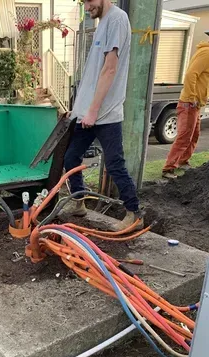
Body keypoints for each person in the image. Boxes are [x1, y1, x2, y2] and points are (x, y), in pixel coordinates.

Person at [61, 0, 143, 231]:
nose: (87, 7)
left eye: (89, 1)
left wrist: (94, 111)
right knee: (71, 158)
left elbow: (110, 69)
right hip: (88, 113)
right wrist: (79, 109)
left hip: (105, 115)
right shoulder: (104, 22)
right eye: (83, 2)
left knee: (115, 164)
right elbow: (94, 74)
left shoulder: (117, 19)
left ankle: (134, 214)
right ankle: (78, 202)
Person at [162, 35, 209, 179]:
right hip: (190, 102)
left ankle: (183, 161)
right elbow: (190, 75)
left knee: (194, 135)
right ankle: (168, 168)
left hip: (195, 103)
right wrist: (192, 96)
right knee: (184, 137)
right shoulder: (207, 53)